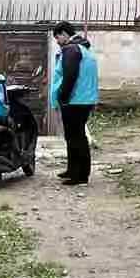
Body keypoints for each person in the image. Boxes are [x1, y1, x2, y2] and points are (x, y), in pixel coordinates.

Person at [50, 21, 98, 186]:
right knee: (74, 136)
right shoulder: (83, 49)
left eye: (57, 37)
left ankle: (80, 175)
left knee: (75, 137)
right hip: (84, 99)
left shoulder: (71, 49)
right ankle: (72, 170)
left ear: (64, 34)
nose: (57, 41)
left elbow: (70, 76)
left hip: (75, 100)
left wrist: (63, 97)